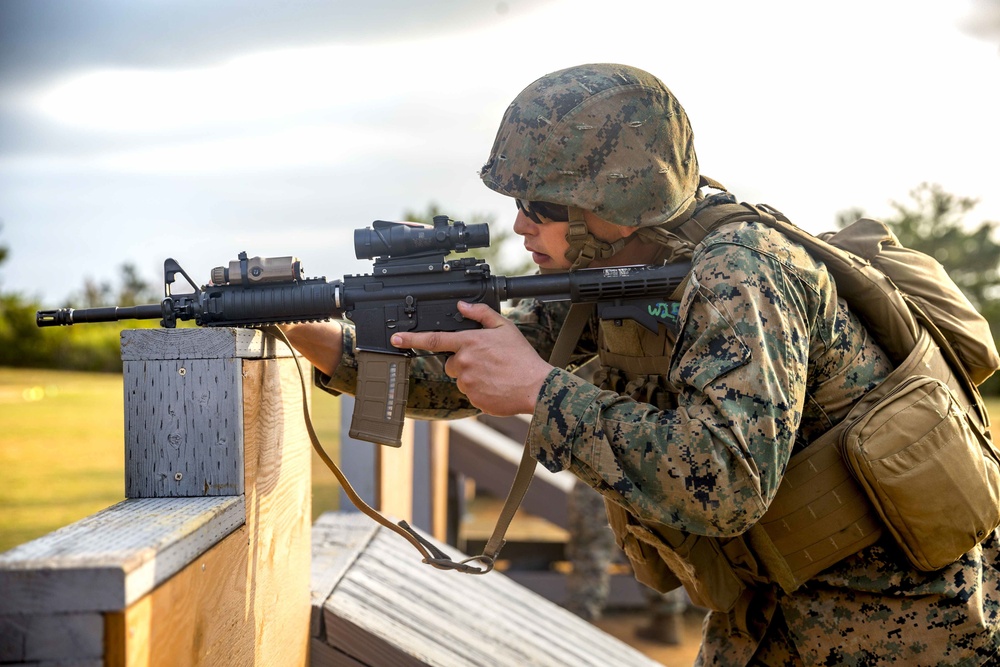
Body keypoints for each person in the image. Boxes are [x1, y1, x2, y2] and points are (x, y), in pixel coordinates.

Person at [282, 63, 1000, 665]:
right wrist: (335, 347)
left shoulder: (738, 273)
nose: (521, 224)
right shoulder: (624, 273)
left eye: (540, 203)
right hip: (774, 610)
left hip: (898, 625)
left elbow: (725, 479)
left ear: (614, 202)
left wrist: (541, 393)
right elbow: (484, 364)